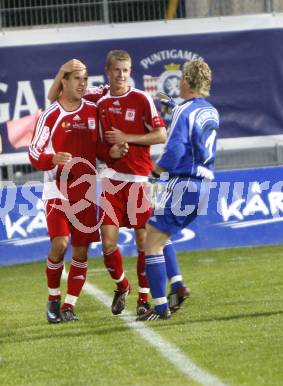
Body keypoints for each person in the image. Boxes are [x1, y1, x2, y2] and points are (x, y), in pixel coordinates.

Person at [48, 50, 167, 316]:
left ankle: (143, 299)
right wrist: (62, 71)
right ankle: (122, 285)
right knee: (108, 243)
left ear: (130, 71)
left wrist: (127, 136)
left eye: (126, 70)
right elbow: (56, 96)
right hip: (111, 180)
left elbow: (161, 134)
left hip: (137, 180)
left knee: (142, 241)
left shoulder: (141, 98)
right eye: (117, 70)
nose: (122, 75)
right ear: (108, 71)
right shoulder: (99, 96)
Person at [29, 66, 128, 323]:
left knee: (81, 252)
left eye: (85, 79)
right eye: (77, 79)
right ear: (64, 81)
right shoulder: (50, 114)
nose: (83, 84)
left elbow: (98, 147)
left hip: (85, 188)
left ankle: (69, 305)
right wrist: (52, 158)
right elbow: (34, 151)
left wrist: (111, 154)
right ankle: (53, 299)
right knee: (60, 244)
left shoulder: (92, 109)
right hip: (56, 188)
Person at [137, 59, 219, 321]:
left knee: (151, 243)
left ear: (186, 80)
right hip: (203, 185)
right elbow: (194, 128)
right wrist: (173, 107)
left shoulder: (184, 111)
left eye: (182, 77)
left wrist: (154, 172)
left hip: (184, 183)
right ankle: (176, 287)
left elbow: (175, 149)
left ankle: (160, 308)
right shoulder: (210, 111)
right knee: (158, 234)